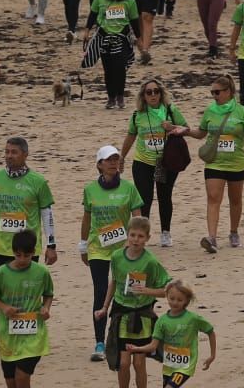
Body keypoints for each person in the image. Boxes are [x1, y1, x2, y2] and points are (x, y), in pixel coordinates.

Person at [80, 146, 144, 361]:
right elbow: (87, 219)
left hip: (125, 249)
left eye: (116, 159)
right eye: (108, 160)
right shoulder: (90, 190)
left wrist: (137, 243)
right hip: (98, 249)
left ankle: (129, 337)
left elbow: (138, 218)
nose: (113, 163)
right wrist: (82, 245)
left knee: (130, 291)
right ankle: (100, 342)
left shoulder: (129, 188)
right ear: (99, 165)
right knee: (100, 293)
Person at [187, 75, 244, 255]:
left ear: (228, 92)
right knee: (213, 198)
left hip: (236, 163)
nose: (214, 96)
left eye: (217, 92)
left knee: (235, 200)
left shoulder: (242, 112)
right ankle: (212, 238)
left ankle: (234, 232)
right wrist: (185, 132)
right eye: (212, 92)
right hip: (214, 163)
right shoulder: (210, 110)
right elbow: (201, 133)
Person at [0, 136, 56, 276]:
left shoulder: (38, 181)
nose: (9, 156)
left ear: (25, 155)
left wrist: (51, 245)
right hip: (1, 248)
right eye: (7, 152)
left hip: (27, 250)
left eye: (14, 152)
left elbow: (47, 214)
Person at [101, 215, 169, 388]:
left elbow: (167, 290)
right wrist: (104, 307)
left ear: (147, 238)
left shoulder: (151, 262)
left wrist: (147, 291)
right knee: (123, 364)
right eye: (132, 235)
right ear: (127, 234)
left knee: (139, 364)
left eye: (140, 236)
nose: (136, 240)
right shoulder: (117, 257)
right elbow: (114, 282)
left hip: (142, 316)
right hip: (121, 314)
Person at [119, 79, 188, 248]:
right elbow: (131, 135)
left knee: (165, 196)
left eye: (156, 91)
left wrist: (171, 127)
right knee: (144, 199)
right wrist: (122, 156)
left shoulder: (170, 110)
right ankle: (141, 235)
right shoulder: (138, 114)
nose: (153, 95)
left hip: (165, 162)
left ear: (161, 93)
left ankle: (166, 232)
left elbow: (187, 129)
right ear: (143, 96)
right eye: (148, 92)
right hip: (143, 162)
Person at [0, 229, 53, 388]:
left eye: (27, 256)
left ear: (34, 252)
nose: (22, 259)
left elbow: (48, 294)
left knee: (22, 378)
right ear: (13, 252)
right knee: (11, 382)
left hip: (34, 336)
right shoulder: (1, 273)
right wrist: (4, 307)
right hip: (8, 335)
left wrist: (46, 307)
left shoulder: (42, 272)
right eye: (18, 255)